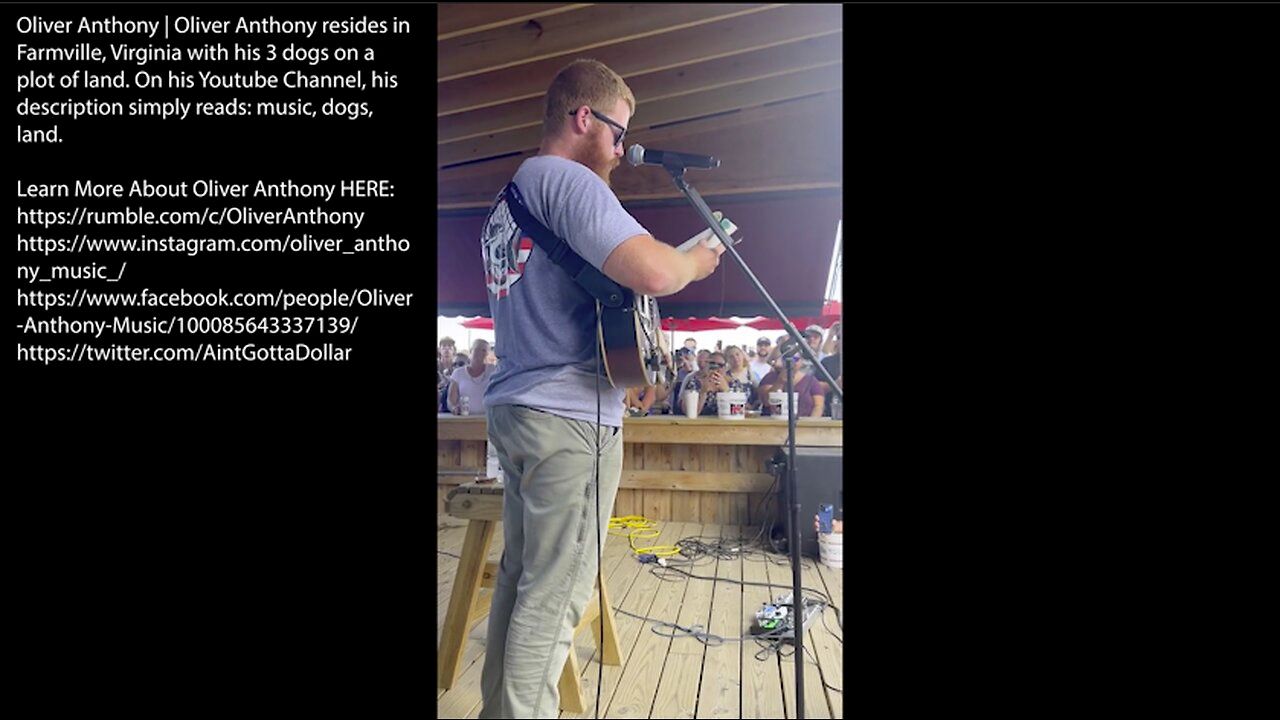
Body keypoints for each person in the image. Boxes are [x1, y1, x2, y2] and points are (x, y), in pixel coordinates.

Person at [477, 58, 725, 719]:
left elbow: (573, 305)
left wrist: (629, 370)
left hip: (519, 408)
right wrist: (695, 262)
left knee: (522, 583)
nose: (620, 150)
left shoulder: (509, 201)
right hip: (567, 419)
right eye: (618, 132)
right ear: (583, 117)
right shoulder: (568, 181)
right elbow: (653, 273)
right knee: (555, 595)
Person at [758, 351, 826, 418]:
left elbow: (818, 406)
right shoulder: (770, 377)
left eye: (796, 359)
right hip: (773, 422)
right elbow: (766, 401)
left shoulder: (811, 381)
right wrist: (780, 382)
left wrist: (811, 422)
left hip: (804, 422)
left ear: (801, 361)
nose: (792, 362)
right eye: (787, 358)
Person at [685, 351, 750, 416]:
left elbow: (739, 412)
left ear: (725, 368)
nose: (716, 368)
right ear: (706, 365)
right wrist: (703, 392)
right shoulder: (694, 383)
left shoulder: (734, 384)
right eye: (712, 364)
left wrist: (726, 390)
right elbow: (690, 413)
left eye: (720, 365)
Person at [448, 339, 496, 414]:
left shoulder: (494, 370)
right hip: (466, 418)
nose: (480, 353)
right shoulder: (458, 373)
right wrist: (454, 408)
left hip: (489, 417)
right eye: (477, 349)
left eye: (484, 350)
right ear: (471, 351)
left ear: (488, 354)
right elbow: (451, 401)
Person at [438, 337, 457, 413]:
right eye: (444, 347)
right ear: (439, 350)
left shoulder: (458, 368)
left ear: (454, 350)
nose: (446, 350)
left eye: (449, 347)